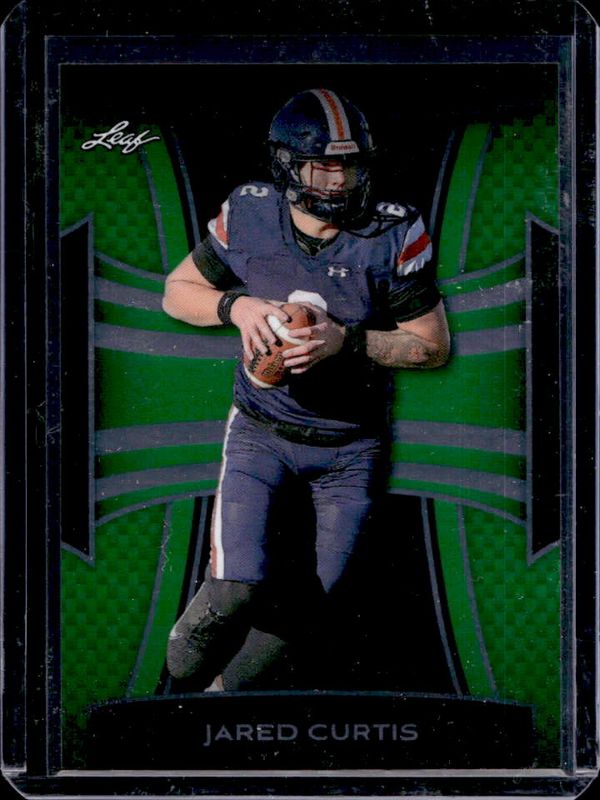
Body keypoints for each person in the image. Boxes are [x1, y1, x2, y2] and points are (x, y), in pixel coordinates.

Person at [162, 87, 450, 690]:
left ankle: (218, 702)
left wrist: (348, 342)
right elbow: (176, 292)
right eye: (323, 164)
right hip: (261, 432)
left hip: (351, 446)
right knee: (234, 588)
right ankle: (174, 691)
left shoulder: (393, 230)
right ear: (288, 165)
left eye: (351, 164)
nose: (340, 180)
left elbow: (431, 346)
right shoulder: (250, 212)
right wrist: (236, 306)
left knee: (317, 603)